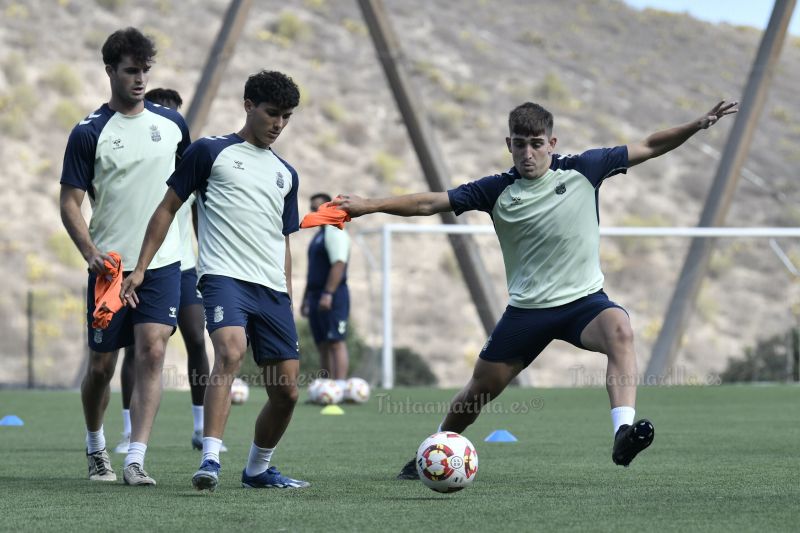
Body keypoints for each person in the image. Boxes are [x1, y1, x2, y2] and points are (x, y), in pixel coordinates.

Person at [333, 99, 739, 477]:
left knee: (621, 329)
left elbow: (650, 145)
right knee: (480, 390)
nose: (528, 154)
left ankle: (622, 434)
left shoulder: (586, 168)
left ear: (552, 143)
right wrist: (369, 204)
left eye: (537, 144)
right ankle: (433, 450)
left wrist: (697, 125)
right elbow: (428, 204)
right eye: (520, 145)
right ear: (509, 144)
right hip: (527, 312)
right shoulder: (494, 190)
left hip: (584, 303)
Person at [120, 70, 310, 491]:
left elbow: (284, 240)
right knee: (229, 352)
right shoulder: (210, 151)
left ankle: (258, 469)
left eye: (287, 117)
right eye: (272, 113)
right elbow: (167, 208)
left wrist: (288, 291)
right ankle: (210, 460)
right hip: (224, 277)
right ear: (248, 106)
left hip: (272, 288)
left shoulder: (287, 174)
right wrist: (140, 267)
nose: (278, 124)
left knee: (288, 393)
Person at [59, 27, 191, 485]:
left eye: (145, 71)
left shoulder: (173, 125)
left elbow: (186, 192)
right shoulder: (88, 132)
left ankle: (135, 457)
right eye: (131, 71)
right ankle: (97, 446)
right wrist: (91, 253)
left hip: (159, 264)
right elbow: (70, 202)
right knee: (101, 367)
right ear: (110, 70)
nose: (139, 79)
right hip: (109, 270)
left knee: (153, 351)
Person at [112, 88, 225, 455]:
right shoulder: (139, 165)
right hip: (146, 266)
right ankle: (129, 432)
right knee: (137, 347)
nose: (170, 120)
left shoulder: (192, 166)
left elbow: (200, 218)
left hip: (186, 267)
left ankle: (199, 428)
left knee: (196, 337)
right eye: (164, 112)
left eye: (176, 114)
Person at [301, 193, 351, 388]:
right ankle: (325, 388)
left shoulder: (335, 231)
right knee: (322, 344)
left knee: (335, 341)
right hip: (315, 295)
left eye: (319, 208)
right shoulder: (318, 235)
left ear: (330, 208)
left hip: (333, 295)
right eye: (312, 208)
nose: (315, 211)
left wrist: (328, 293)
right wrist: (306, 299)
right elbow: (313, 270)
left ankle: (338, 387)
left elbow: (338, 263)